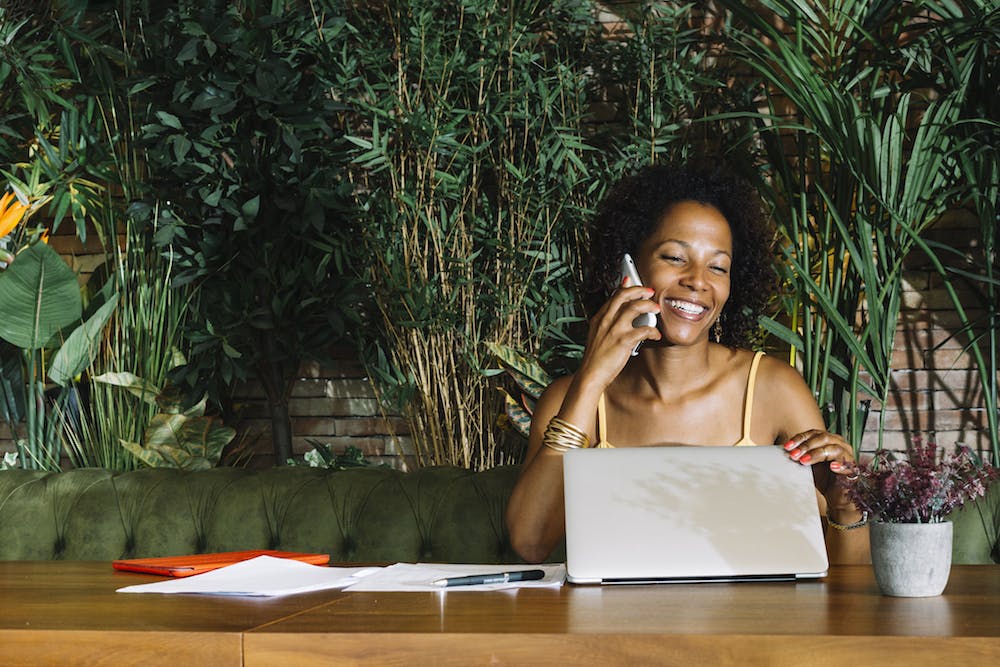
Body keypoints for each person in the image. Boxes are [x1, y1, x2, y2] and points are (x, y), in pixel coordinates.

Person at [505, 161, 871, 565]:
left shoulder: (773, 388)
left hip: (753, 623)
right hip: (616, 625)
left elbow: (845, 579)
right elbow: (530, 544)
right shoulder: (572, 398)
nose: (698, 280)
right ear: (630, 268)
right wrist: (591, 377)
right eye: (675, 258)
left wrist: (846, 507)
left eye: (718, 266)